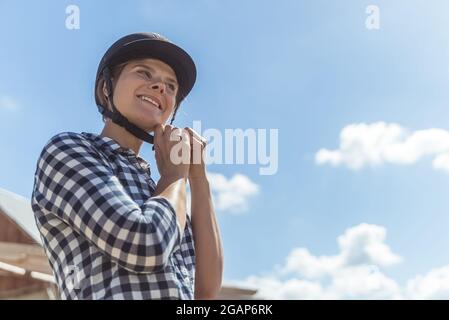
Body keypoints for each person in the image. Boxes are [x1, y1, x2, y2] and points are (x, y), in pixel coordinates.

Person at [31, 32, 223, 299]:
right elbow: (145, 246)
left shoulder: (161, 191)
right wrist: (176, 175)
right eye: (144, 73)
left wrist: (198, 180)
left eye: (171, 86)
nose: (160, 87)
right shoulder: (68, 150)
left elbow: (206, 292)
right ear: (105, 88)